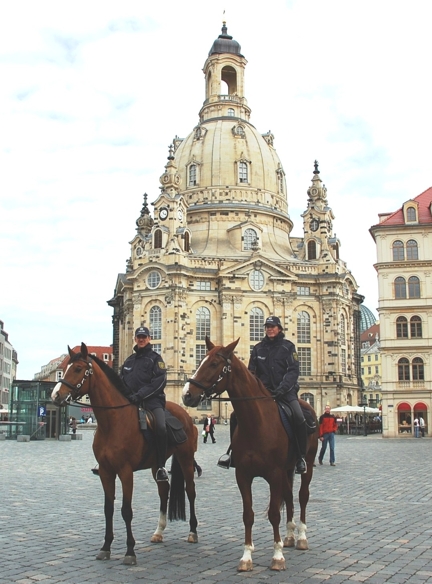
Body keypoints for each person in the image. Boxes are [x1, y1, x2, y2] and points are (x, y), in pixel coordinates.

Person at [218, 315, 307, 474]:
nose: (269, 329)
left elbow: (293, 371)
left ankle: (300, 457)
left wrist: (282, 389)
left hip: (285, 393)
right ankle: (233, 454)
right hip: (263, 393)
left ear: (279, 328)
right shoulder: (258, 348)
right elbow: (252, 372)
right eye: (267, 326)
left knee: (299, 417)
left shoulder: (288, 347)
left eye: (272, 326)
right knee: (234, 417)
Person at [120, 326, 168, 482]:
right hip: (131, 401)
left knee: (160, 426)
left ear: (149, 339)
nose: (141, 339)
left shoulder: (156, 359)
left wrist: (140, 395)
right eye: (139, 337)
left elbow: (159, 382)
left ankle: (160, 465)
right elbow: (121, 382)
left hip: (152, 401)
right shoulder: (129, 361)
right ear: (135, 339)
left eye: (144, 337)